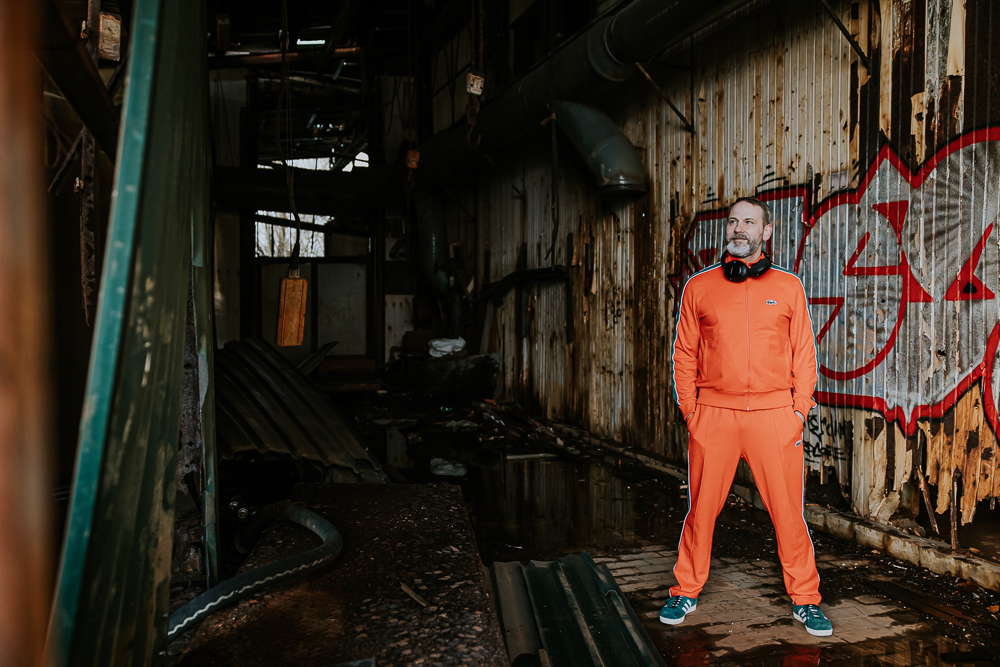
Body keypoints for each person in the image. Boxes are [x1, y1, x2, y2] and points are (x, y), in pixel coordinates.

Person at [660, 196, 832, 637]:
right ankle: (685, 589)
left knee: (789, 514)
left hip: (776, 417)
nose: (739, 228)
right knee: (701, 510)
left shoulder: (789, 286)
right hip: (714, 415)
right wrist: (690, 410)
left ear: (766, 232)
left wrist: (798, 411)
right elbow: (684, 353)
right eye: (733, 221)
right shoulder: (699, 287)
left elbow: (804, 355)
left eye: (748, 222)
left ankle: (806, 600)